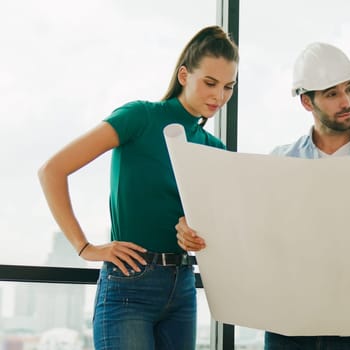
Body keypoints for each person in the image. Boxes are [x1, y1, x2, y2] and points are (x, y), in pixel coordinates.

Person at [176, 42, 350, 350]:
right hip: (287, 329)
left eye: (349, 89)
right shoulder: (281, 160)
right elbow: (245, 227)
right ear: (307, 102)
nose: (346, 101)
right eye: (332, 94)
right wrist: (196, 228)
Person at [38, 25, 238, 350]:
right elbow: (52, 171)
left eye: (229, 86)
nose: (219, 96)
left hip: (184, 287)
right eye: (210, 83)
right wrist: (85, 247)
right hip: (129, 286)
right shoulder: (139, 117)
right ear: (185, 75)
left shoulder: (214, 149)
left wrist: (193, 230)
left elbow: (222, 222)